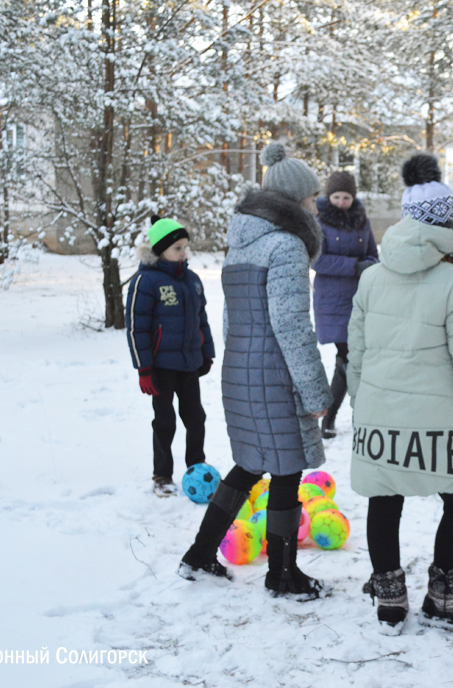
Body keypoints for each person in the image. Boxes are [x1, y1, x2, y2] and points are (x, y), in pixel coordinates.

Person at [348, 154, 453, 634]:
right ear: (448, 226)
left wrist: (363, 405)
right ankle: (443, 598)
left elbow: (356, 353)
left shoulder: (370, 277)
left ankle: (390, 602)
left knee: (383, 496)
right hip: (438, 423)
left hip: (376, 416)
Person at [178, 142, 334, 599]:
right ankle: (283, 575)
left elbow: (229, 321)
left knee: (248, 465)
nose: (316, 206)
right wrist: (316, 392)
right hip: (276, 374)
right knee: (286, 472)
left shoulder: (241, 243)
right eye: (311, 199)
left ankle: (200, 554)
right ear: (294, 202)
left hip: (242, 370)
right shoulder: (286, 247)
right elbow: (291, 327)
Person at [125, 216, 215, 497]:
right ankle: (162, 475)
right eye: (177, 248)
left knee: (196, 418)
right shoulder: (146, 281)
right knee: (165, 421)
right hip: (160, 367)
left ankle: (196, 468)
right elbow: (136, 327)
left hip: (188, 364)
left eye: (185, 247)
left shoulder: (192, 280)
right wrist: (144, 369)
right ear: (160, 250)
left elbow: (202, 319)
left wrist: (206, 353)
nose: (183, 253)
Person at [311, 171, 378, 439]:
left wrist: (369, 266)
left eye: (346, 197)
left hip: (360, 298)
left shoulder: (362, 219)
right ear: (330, 196)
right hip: (332, 299)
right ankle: (338, 416)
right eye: (337, 196)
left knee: (351, 357)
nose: (341, 202)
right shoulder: (319, 220)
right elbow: (317, 260)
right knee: (349, 356)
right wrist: (354, 266)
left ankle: (333, 417)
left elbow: (373, 254)